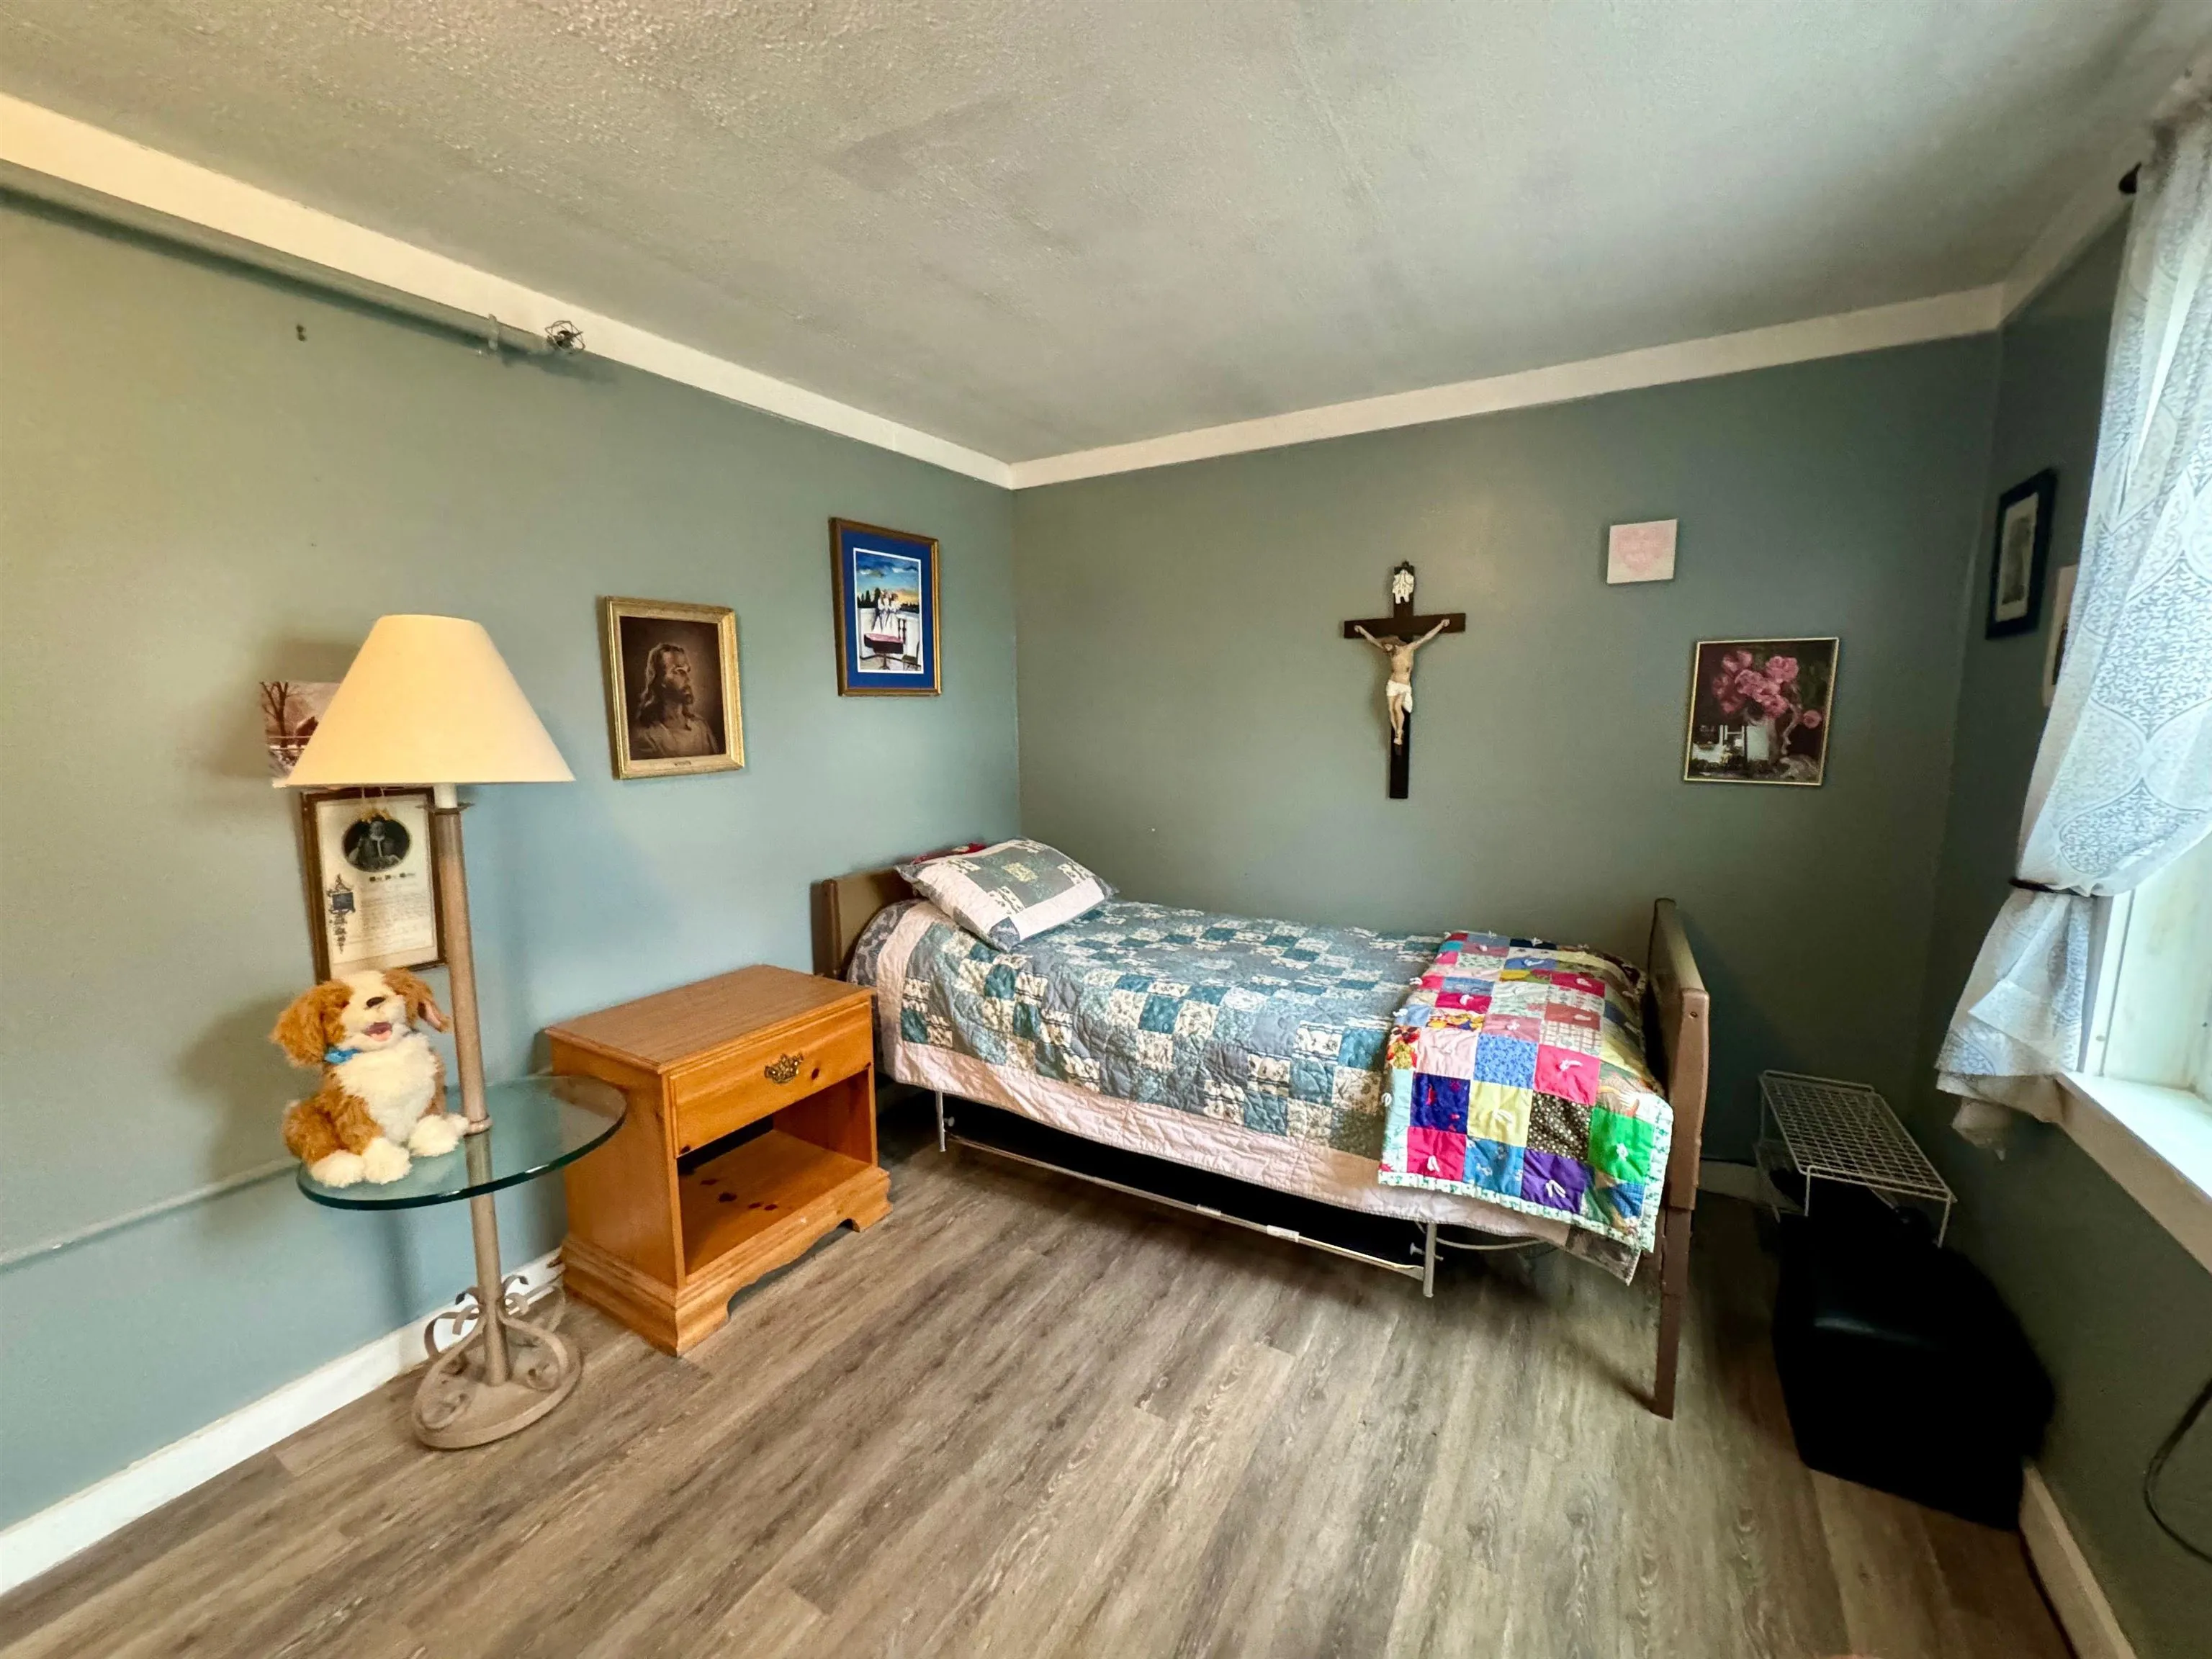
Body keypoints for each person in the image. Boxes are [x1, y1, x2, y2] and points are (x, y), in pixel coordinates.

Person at [1354, 618, 1450, 747]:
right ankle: (1397, 734)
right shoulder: (1390, 653)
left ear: (1394, 644)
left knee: (1397, 706)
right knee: (1391, 709)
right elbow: (1373, 641)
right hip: (1393, 683)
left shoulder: (1409, 649)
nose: (1386, 649)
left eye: (1388, 646)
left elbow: (1426, 638)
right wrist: (1362, 631)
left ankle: (1399, 732)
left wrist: (1441, 625)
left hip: (1404, 684)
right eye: (1385, 647)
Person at [631, 642, 721, 759]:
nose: (688, 679)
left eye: (687, 671)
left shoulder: (701, 728)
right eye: (679, 671)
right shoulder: (645, 735)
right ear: (660, 679)